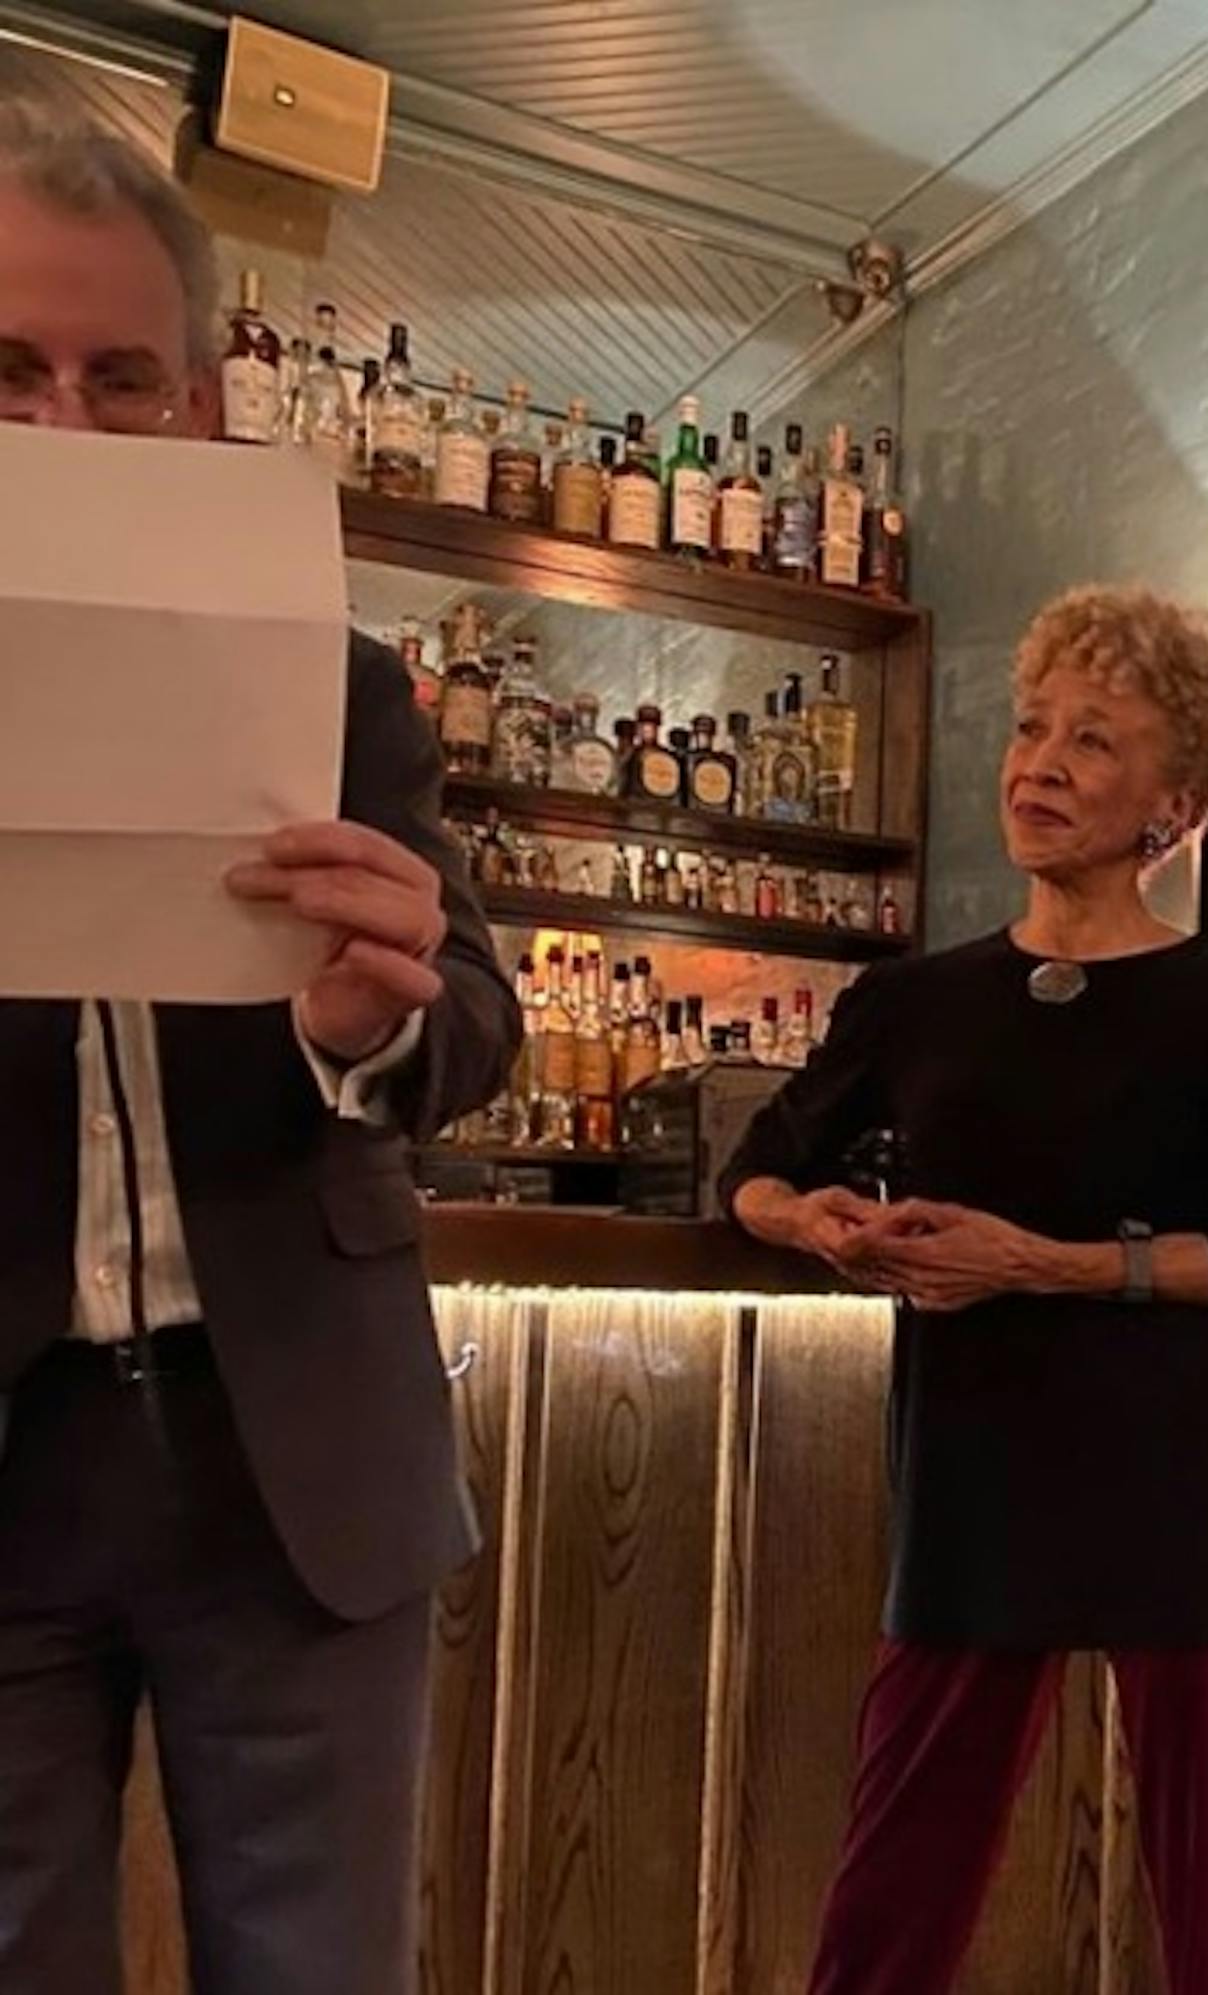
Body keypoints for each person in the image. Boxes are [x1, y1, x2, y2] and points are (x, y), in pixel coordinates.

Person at [0, 101, 518, 1990]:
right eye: (8, 372)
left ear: (202, 410)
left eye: (120, 378)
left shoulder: (347, 682)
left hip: (297, 1451)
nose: (62, 427)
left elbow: (479, 1026)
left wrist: (369, 1032)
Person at [722, 584, 1208, 1995]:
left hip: (1182, 1473)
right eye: (1031, 730)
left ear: (1178, 799)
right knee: (892, 1894)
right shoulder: (913, 1003)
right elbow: (762, 1172)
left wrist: (1046, 1265)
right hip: (974, 1470)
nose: (1041, 765)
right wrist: (823, 1228)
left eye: (1093, 741)